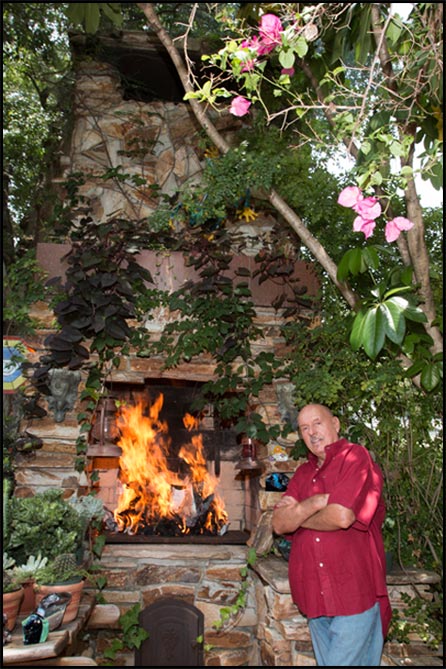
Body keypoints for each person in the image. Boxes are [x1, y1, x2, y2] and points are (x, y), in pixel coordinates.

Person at [272, 403, 391, 666]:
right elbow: (279, 524)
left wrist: (299, 518)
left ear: (335, 424)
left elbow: (341, 516)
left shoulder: (355, 457)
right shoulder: (303, 473)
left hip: (352, 595)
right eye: (304, 428)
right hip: (314, 597)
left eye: (317, 423)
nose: (311, 432)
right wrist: (315, 503)